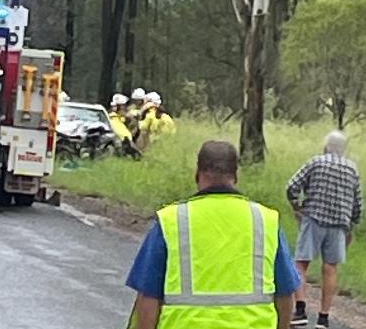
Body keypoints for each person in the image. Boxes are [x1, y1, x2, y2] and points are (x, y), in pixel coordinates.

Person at [126, 141, 299, 329]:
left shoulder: (172, 220)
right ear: (236, 176)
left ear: (197, 174)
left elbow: (148, 297)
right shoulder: (266, 221)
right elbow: (285, 293)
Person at [287, 131, 362, 329]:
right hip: (338, 225)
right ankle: (323, 318)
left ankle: (301, 309)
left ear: (326, 146)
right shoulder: (352, 169)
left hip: (314, 218)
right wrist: (351, 226)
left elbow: (292, 186)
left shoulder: (316, 162)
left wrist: (297, 207)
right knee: (330, 268)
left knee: (301, 263)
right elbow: (357, 204)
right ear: (343, 149)